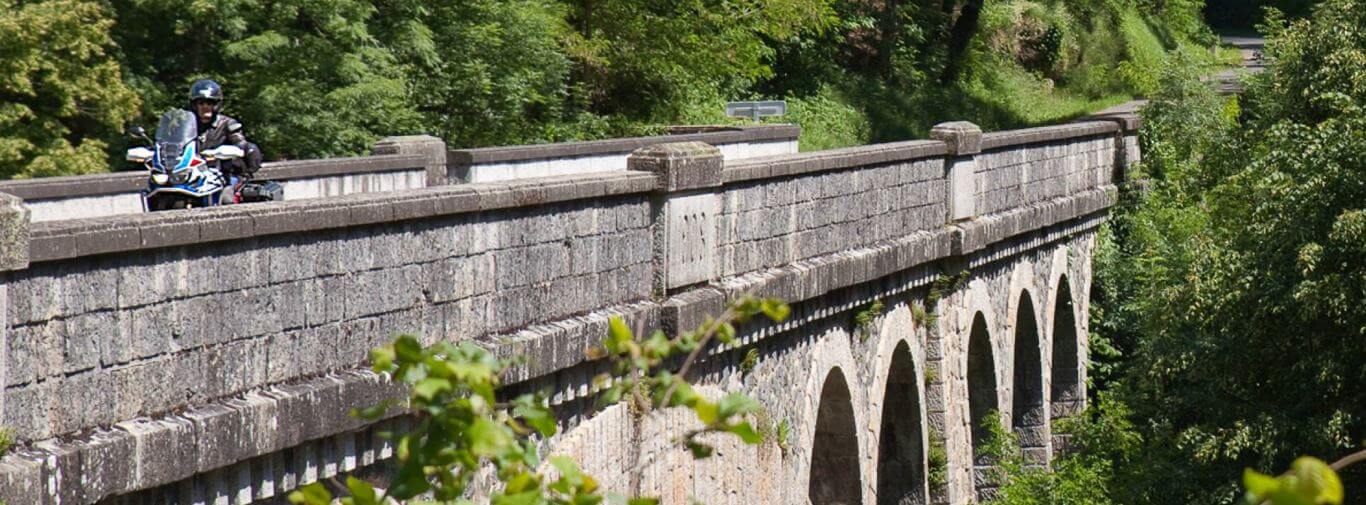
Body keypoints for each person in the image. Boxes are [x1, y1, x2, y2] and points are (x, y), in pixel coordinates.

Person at [187, 79, 262, 177]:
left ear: (216, 105)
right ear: (194, 105)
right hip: (191, 173)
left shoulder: (227, 124)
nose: (205, 107)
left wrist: (229, 151)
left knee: (227, 191)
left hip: (222, 174)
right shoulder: (187, 126)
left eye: (209, 103)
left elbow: (241, 144)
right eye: (201, 103)